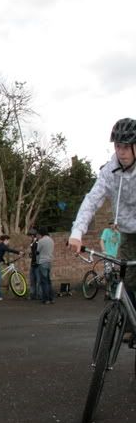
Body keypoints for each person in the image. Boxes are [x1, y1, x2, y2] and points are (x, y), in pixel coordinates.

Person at [69, 118, 136, 321]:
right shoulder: (109, 172)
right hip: (127, 233)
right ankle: (130, 324)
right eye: (118, 146)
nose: (121, 152)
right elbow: (91, 200)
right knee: (128, 280)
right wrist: (77, 233)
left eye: (126, 147)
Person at [0, 235, 22, 301]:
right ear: (5, 240)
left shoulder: (1, 246)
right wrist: (19, 252)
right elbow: (9, 250)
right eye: (8, 240)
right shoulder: (3, 246)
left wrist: (4, 261)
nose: (8, 242)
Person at [36, 227, 55, 304]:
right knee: (49, 280)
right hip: (49, 261)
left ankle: (46, 299)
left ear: (41, 234)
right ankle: (51, 298)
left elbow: (38, 251)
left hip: (42, 261)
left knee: (44, 281)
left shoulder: (41, 241)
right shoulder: (51, 240)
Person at [27, 228, 42, 301]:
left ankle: (39, 295)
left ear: (33, 235)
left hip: (38, 263)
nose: (29, 237)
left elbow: (39, 252)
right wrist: (31, 254)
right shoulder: (32, 242)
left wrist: (35, 254)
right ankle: (32, 294)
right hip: (32, 263)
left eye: (30, 235)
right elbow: (33, 252)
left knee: (39, 280)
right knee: (32, 280)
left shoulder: (38, 242)